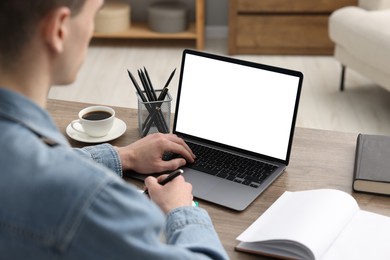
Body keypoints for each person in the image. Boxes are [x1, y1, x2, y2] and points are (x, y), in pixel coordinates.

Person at [0, 0, 228, 259]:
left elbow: (28, 165)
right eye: (93, 16)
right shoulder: (88, 199)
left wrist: (125, 156)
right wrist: (181, 211)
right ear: (59, 30)